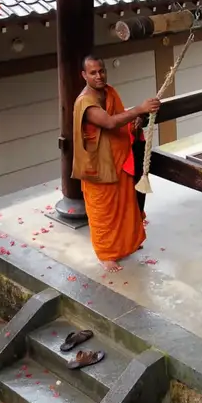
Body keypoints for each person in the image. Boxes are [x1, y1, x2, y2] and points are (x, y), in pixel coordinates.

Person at [71, 55, 160, 272]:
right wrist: (139, 109)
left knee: (125, 205)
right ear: (84, 75)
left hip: (118, 158)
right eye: (93, 72)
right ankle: (107, 254)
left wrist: (134, 121)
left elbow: (119, 116)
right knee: (104, 211)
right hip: (98, 165)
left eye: (101, 71)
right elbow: (109, 122)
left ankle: (128, 243)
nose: (99, 76)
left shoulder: (109, 92)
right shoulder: (85, 102)